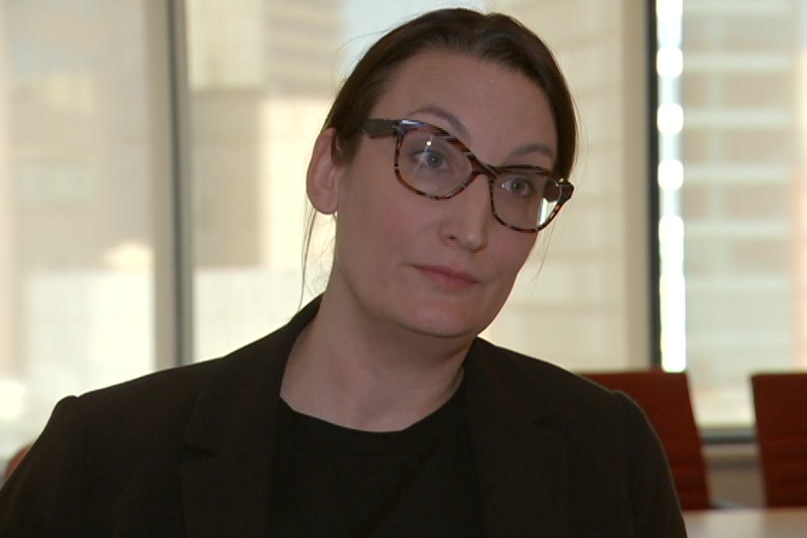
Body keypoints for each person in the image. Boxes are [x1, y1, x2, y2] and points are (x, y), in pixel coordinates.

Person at [0, 7, 687, 537]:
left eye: (518, 183)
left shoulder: (604, 454)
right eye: (429, 156)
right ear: (330, 170)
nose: (471, 226)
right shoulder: (105, 458)